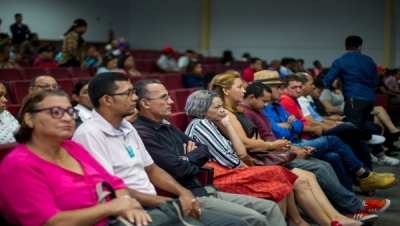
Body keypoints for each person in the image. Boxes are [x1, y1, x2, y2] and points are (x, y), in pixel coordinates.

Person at [72, 73, 249, 226]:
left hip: (154, 203)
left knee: (238, 222)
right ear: (107, 100)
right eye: (127, 93)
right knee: (234, 223)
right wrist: (168, 202)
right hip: (130, 209)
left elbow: (152, 169)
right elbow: (109, 188)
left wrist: (183, 193)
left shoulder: (127, 127)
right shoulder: (90, 134)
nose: (134, 98)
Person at [132, 79, 288, 226]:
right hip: (190, 194)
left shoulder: (165, 123)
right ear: (145, 103)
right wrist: (189, 159)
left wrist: (186, 158)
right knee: (256, 217)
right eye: (164, 98)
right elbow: (177, 169)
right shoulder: (143, 132)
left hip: (204, 187)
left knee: (270, 207)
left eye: (170, 97)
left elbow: (203, 149)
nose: (171, 102)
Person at [0, 89, 158, 226]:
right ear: (29, 119)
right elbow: (51, 222)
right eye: (56, 112)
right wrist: (112, 207)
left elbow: (114, 183)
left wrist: (129, 207)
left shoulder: (72, 147)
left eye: (70, 112)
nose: (68, 118)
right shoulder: (19, 165)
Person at [239, 81, 385, 220]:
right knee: (324, 157)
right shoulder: (248, 113)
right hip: (273, 156)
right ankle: (357, 195)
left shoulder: (259, 110)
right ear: (252, 97)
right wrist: (295, 149)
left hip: (284, 148)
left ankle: (348, 207)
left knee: (331, 158)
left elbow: (294, 126)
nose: (266, 104)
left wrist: (296, 145)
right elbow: (268, 140)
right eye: (264, 101)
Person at [184, 90, 312, 226]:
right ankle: (295, 222)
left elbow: (240, 152)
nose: (222, 111)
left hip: (225, 169)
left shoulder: (210, 123)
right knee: (277, 175)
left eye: (222, 106)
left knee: (279, 180)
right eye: (217, 107)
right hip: (215, 175)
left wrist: (227, 123)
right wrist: (251, 170)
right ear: (201, 111)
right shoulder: (200, 124)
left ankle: (293, 221)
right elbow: (229, 159)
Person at [265, 74, 397, 192]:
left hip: (302, 138)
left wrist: (290, 125)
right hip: (299, 141)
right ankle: (366, 174)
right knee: (342, 133)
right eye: (279, 87)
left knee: (335, 155)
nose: (282, 91)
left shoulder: (279, 104)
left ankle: (352, 192)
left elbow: (299, 123)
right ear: (267, 89)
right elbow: (280, 132)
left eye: (300, 86)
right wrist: (291, 125)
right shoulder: (283, 101)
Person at [323, 36, 378, 130]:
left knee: (351, 130)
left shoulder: (340, 61)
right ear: (360, 47)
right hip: (370, 99)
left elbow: (327, 81)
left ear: (345, 46)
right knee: (361, 129)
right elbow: (375, 82)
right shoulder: (369, 60)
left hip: (354, 98)